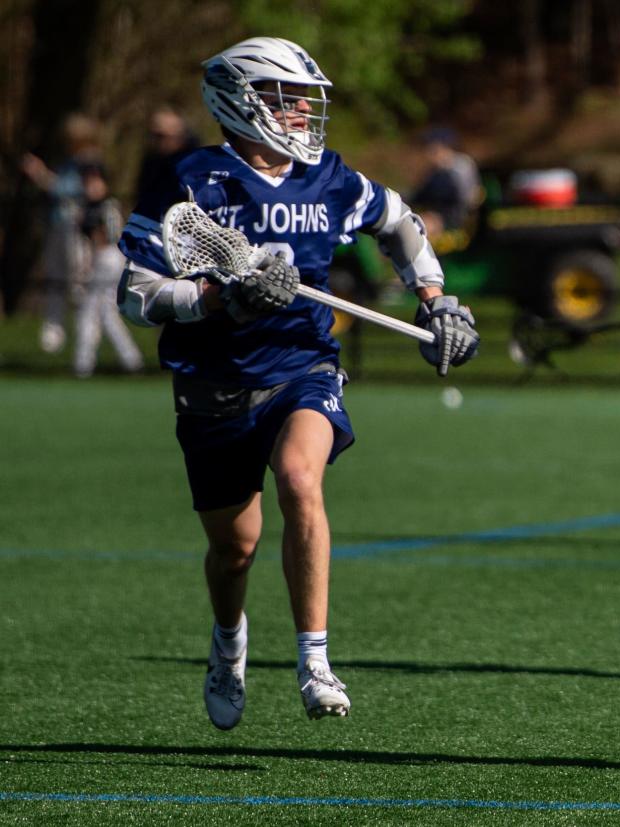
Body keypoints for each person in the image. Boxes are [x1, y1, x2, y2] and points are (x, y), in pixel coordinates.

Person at [116, 37, 479, 730]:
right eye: (286, 101)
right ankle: (229, 644)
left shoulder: (328, 176)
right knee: (235, 547)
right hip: (214, 380)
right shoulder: (191, 180)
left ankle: (314, 660)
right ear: (242, 101)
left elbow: (398, 223)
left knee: (299, 477)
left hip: (302, 364)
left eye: (304, 103)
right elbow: (135, 295)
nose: (300, 117)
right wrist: (220, 300)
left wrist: (434, 296)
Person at [20, 113, 104, 354]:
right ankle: (53, 333)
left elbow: (80, 191)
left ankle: (86, 335)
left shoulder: (90, 163)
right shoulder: (69, 162)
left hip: (76, 229)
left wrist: (41, 176)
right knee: (55, 279)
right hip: (58, 225)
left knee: (78, 283)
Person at [73, 163, 144, 378]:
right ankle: (127, 361)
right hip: (97, 261)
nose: (91, 187)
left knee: (97, 313)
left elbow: (111, 237)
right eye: (87, 183)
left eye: (95, 182)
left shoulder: (108, 207)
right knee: (99, 314)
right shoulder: (85, 207)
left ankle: (87, 364)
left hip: (109, 260)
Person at [407, 126, 481, 239]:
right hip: (437, 216)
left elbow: (465, 200)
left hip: (457, 219)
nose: (427, 152)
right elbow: (419, 196)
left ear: (442, 147)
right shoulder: (436, 171)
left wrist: (437, 217)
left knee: (415, 227)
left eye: (431, 147)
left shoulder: (461, 166)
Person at [134, 106, 200, 201]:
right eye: (152, 135)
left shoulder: (196, 165)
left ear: (178, 135)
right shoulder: (151, 163)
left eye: (161, 136)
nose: (156, 141)